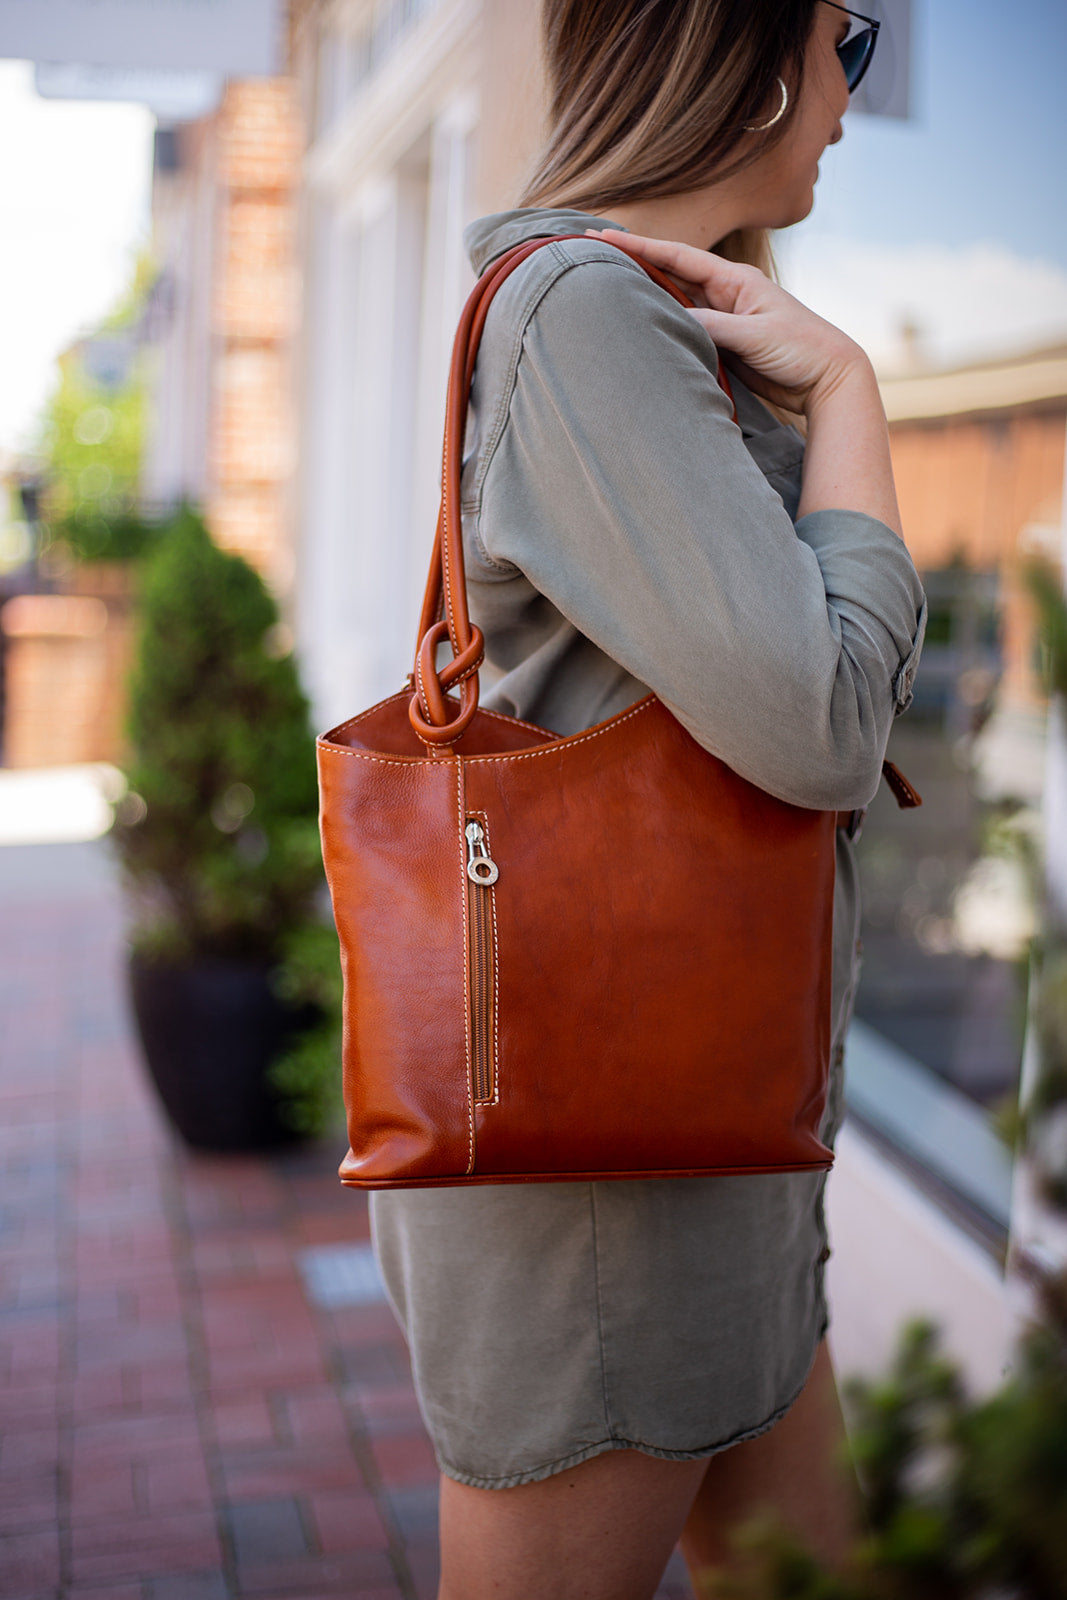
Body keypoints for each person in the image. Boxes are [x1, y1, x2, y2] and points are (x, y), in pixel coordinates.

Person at [370, 2, 927, 1595]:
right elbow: (822, 720)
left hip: (712, 1134)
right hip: (598, 1194)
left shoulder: (643, 326)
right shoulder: (581, 318)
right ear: (746, 52)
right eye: (846, 39)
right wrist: (853, 399)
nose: (850, 91)